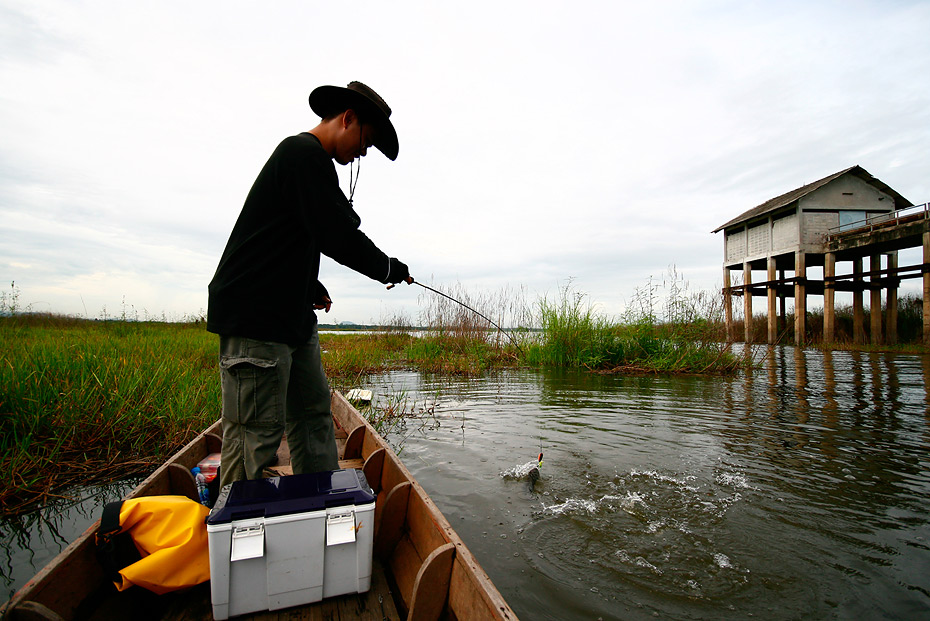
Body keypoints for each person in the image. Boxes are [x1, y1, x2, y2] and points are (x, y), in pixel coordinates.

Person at [207, 81, 412, 489]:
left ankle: (323, 504)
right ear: (347, 119)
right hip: (255, 317)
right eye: (365, 142)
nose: (362, 153)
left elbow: (290, 235)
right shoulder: (302, 154)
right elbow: (336, 233)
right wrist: (387, 267)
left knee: (313, 414)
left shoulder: (309, 167)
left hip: (291, 317)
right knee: (256, 433)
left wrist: (309, 285)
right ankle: (227, 532)